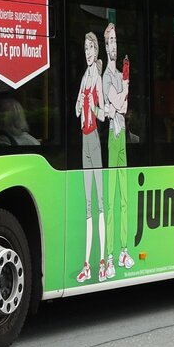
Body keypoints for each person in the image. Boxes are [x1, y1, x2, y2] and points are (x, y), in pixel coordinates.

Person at [102, 22, 134, 275]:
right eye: (110, 42)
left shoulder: (118, 77)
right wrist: (125, 83)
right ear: (105, 46)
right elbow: (120, 105)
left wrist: (124, 88)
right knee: (112, 202)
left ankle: (124, 251)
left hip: (122, 135)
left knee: (124, 199)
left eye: (116, 42)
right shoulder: (106, 77)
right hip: (113, 138)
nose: (114, 46)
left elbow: (122, 105)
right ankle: (110, 257)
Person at [75, 32, 106, 283]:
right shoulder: (85, 77)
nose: (87, 52)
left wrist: (92, 105)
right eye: (84, 48)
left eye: (90, 48)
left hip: (94, 139)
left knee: (100, 204)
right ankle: (87, 263)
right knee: (87, 206)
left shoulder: (96, 78)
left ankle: (103, 260)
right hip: (84, 139)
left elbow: (104, 113)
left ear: (96, 51)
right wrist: (80, 103)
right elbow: (76, 108)